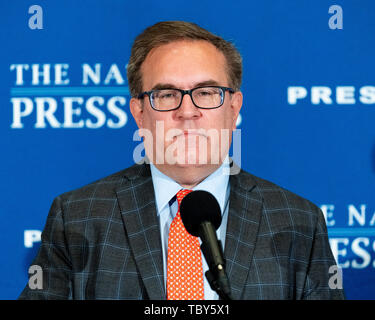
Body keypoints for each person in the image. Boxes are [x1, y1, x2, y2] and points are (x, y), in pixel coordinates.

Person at [19, 21, 345, 300]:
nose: (187, 112)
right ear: (139, 113)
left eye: (205, 92)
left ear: (233, 109)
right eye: (166, 95)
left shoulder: (299, 222)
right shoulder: (77, 218)